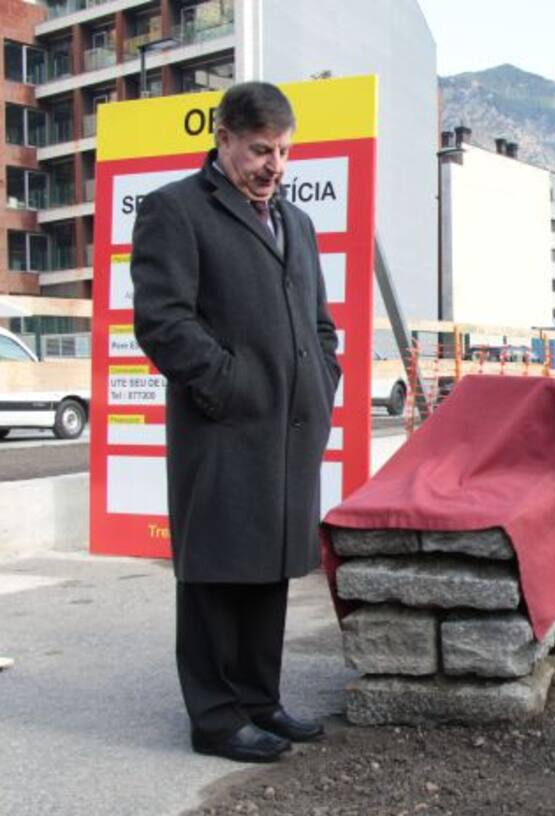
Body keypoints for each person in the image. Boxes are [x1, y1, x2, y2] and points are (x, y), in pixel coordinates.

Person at [133, 82, 340, 763]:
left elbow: (318, 323)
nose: (274, 166)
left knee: (267, 567)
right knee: (215, 572)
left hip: (289, 427)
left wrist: (322, 379)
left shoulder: (296, 222)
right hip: (221, 426)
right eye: (259, 151)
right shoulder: (175, 210)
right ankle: (216, 719)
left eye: (283, 151)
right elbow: (163, 321)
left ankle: (258, 699)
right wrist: (230, 385)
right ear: (223, 139)